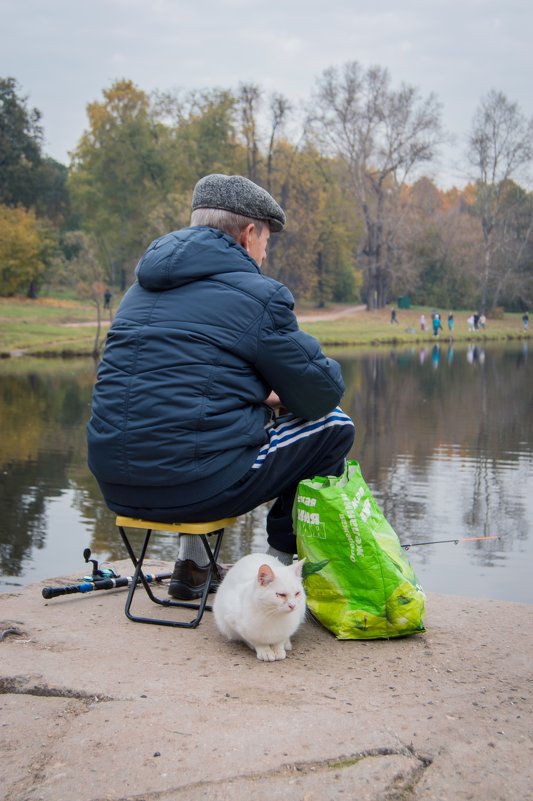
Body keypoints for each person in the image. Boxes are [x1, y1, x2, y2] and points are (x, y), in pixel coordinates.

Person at [87, 174, 355, 601]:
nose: (265, 254)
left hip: (116, 486)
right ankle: (274, 581)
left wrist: (254, 393)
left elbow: (183, 386)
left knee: (209, 432)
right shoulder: (258, 295)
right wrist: (274, 394)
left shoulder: (137, 292)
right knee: (332, 427)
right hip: (196, 489)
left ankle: (192, 568)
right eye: (267, 240)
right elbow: (321, 393)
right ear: (250, 234)